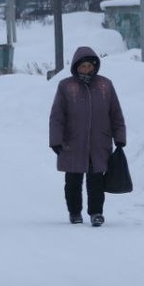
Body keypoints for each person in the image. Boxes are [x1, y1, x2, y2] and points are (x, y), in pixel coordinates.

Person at [48, 46, 126, 227]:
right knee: (73, 181)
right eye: (83, 66)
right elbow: (57, 116)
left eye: (89, 66)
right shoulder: (66, 86)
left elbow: (116, 114)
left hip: (99, 142)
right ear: (76, 67)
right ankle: (74, 212)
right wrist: (56, 140)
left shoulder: (105, 85)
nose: (86, 69)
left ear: (94, 66)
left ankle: (96, 213)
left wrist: (119, 137)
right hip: (72, 143)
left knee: (96, 181)